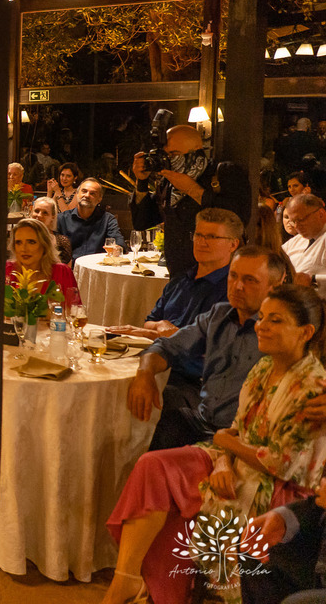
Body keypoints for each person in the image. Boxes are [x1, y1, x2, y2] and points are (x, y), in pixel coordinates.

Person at [102, 284, 326, 604]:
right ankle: (129, 583)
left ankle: (162, 592)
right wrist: (224, 455)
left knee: (174, 512)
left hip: (279, 488)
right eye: (262, 317)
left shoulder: (313, 387)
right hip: (236, 462)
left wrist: (224, 444)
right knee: (154, 471)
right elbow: (237, 427)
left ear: (305, 332)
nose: (260, 326)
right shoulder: (263, 368)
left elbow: (280, 463)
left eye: (275, 320)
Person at [127, 246, 288, 452]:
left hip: (242, 436)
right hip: (202, 422)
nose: (237, 286)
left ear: (273, 288)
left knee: (155, 464)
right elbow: (169, 346)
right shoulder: (220, 314)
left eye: (250, 280)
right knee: (151, 436)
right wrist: (145, 374)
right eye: (233, 276)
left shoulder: (280, 333)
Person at [131, 123, 252, 280]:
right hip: (178, 276)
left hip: (217, 277)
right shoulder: (169, 182)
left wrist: (192, 189)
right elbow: (141, 222)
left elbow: (239, 218)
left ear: (196, 149)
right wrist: (141, 182)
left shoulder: (222, 173)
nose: (170, 160)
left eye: (174, 154)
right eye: (165, 155)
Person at [111, 208, 241, 343]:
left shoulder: (234, 290)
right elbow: (149, 322)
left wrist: (169, 335)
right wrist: (159, 326)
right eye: (198, 235)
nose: (201, 242)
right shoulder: (180, 280)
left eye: (212, 237)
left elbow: (216, 345)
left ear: (233, 244)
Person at [4, 217, 80, 302]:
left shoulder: (62, 272)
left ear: (44, 245)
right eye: (18, 242)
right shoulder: (7, 271)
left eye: (31, 242)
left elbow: (75, 310)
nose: (24, 249)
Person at [55, 178, 125, 260]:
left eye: (92, 193)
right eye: (84, 191)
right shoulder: (61, 219)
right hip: (70, 269)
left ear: (99, 199)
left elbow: (119, 242)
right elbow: (54, 249)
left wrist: (117, 248)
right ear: (77, 194)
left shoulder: (107, 219)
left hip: (98, 268)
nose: (87, 195)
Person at [283, 194, 326, 288]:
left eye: (301, 220)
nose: (296, 226)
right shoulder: (294, 242)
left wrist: (313, 279)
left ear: (321, 214)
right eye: (294, 221)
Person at [29, 196, 73, 264]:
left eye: (45, 213)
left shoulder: (62, 242)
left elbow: (66, 272)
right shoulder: (21, 238)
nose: (39, 215)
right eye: (36, 211)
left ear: (53, 216)